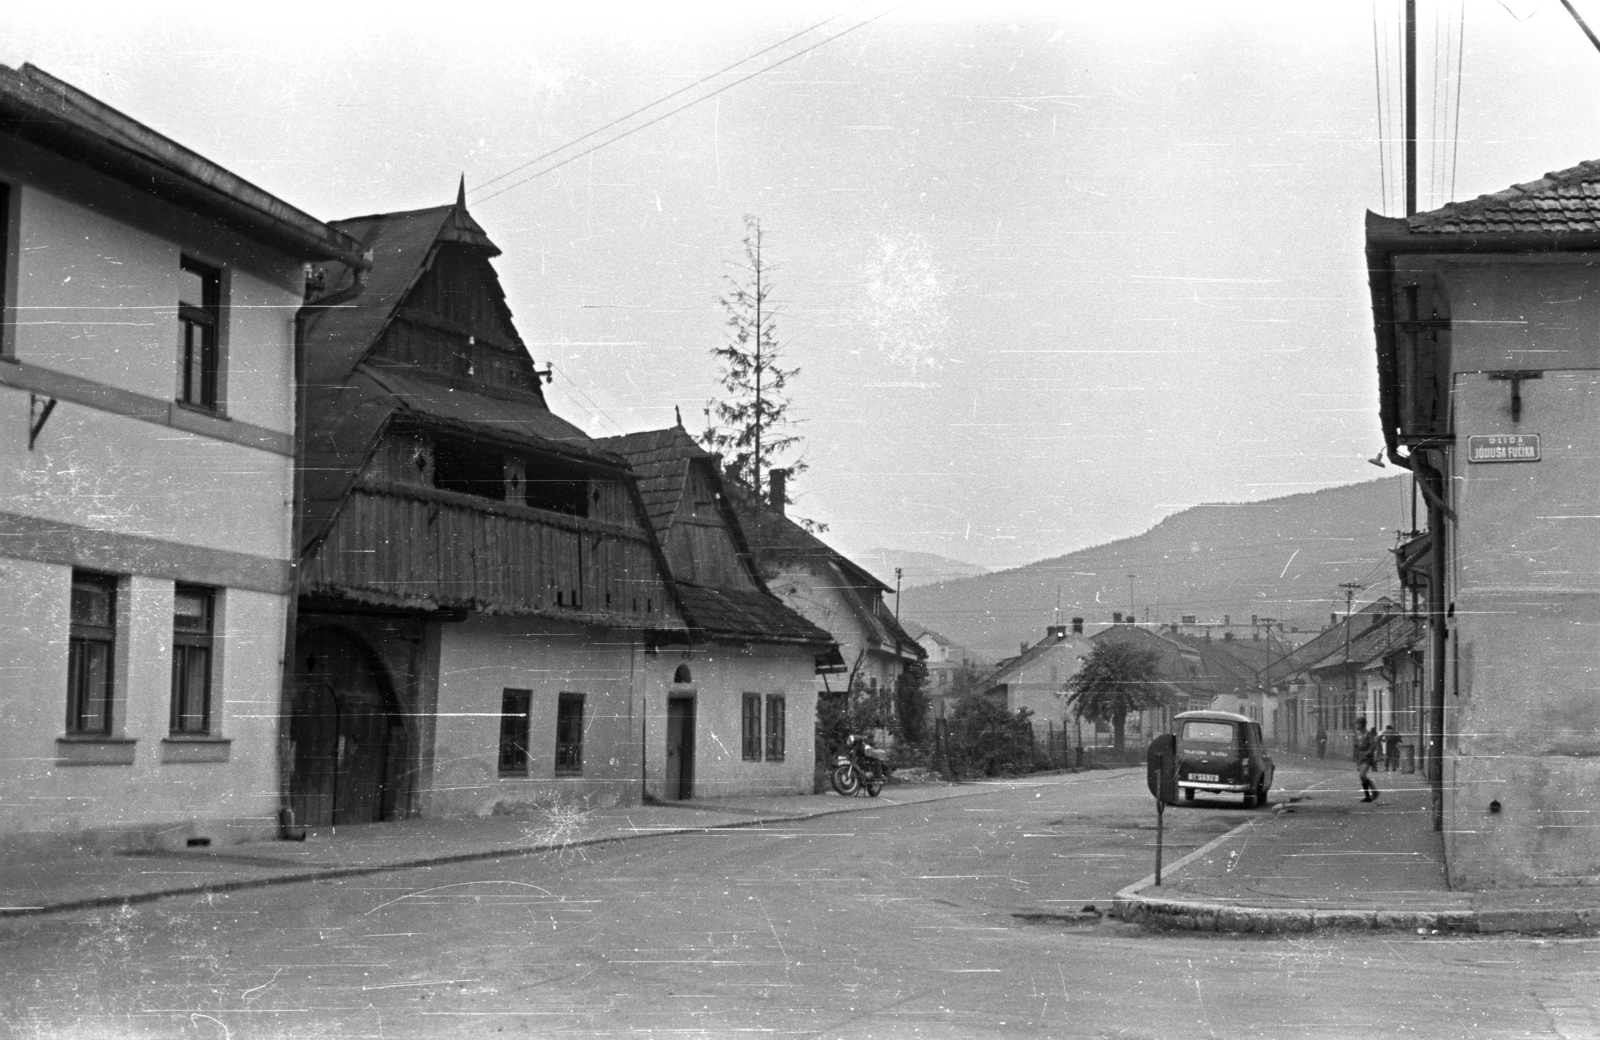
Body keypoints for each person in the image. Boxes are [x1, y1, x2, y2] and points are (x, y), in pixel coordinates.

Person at [1354, 717, 1379, 802]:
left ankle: (1374, 791)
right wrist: (1357, 756)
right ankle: (1367, 796)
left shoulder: (1368, 734)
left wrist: (1367, 753)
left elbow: (1373, 746)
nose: (1356, 725)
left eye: (1358, 724)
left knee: (1362, 775)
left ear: (1362, 724)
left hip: (1367, 757)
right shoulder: (1358, 734)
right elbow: (1356, 745)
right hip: (1361, 757)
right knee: (1362, 777)